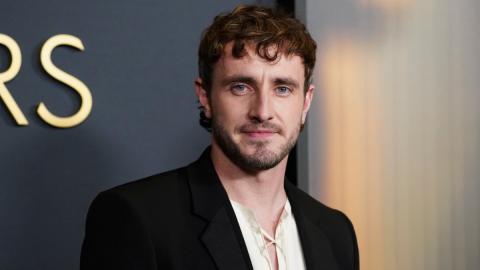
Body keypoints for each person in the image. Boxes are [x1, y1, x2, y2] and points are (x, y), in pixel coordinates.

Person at [80, 5, 359, 270]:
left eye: (282, 88)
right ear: (206, 97)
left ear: (306, 103)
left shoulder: (335, 232)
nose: (262, 111)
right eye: (241, 87)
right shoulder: (137, 217)